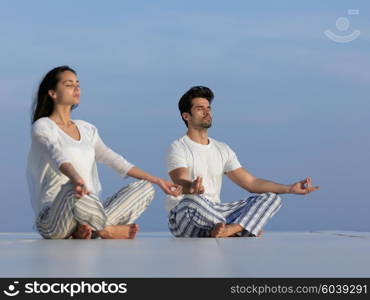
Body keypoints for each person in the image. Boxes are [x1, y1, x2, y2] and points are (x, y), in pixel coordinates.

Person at [27, 66, 182, 240]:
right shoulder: (43, 126)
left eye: (78, 84)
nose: (76, 88)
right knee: (73, 189)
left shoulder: (87, 129)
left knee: (145, 187)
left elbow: (115, 160)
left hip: (89, 210)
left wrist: (158, 181)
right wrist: (77, 180)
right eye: (69, 84)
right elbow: (56, 156)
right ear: (53, 93)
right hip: (54, 217)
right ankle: (104, 230)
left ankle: (88, 229)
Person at [166, 86, 319, 238]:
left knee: (272, 198)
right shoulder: (178, 147)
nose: (207, 112)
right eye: (200, 109)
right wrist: (191, 187)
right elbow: (180, 180)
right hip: (186, 217)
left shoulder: (222, 149)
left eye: (209, 108)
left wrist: (290, 188)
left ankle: (230, 230)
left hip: (216, 214)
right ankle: (243, 228)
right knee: (192, 201)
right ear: (186, 116)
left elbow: (251, 183)